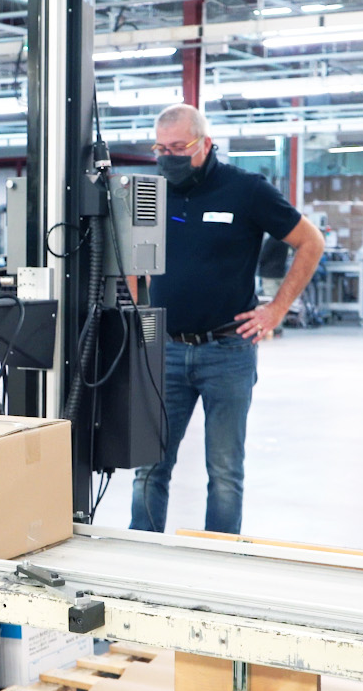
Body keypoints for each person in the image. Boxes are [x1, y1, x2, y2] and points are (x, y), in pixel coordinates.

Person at [130, 104, 324, 536]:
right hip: (165, 350)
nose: (169, 157)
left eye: (179, 147)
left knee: (224, 473)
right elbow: (131, 256)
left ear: (206, 144)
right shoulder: (151, 193)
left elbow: (311, 242)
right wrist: (137, 312)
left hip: (228, 352)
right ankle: (140, 557)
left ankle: (216, 561)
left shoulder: (247, 190)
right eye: (161, 148)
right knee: (149, 467)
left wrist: (276, 310)